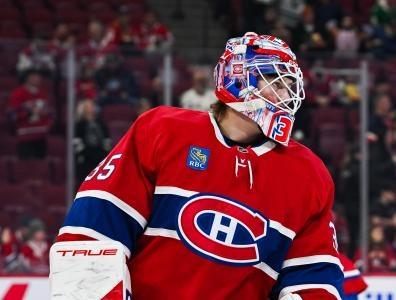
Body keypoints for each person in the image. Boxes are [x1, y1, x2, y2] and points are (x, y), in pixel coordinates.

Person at [52, 32, 344, 299]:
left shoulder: (308, 175)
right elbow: (92, 237)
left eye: (290, 86)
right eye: (275, 82)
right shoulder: (161, 132)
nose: (284, 96)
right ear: (237, 79)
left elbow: (314, 284)